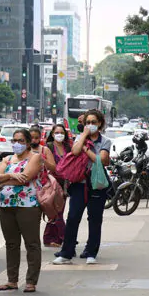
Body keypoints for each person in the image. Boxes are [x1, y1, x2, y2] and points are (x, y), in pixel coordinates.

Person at [53, 109, 111, 265]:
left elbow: (102, 160)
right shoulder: (80, 138)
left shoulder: (105, 141)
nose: (90, 125)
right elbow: (75, 151)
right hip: (79, 184)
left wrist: (87, 149)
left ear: (100, 124)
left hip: (97, 184)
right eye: (87, 122)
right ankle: (67, 252)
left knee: (95, 219)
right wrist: (84, 136)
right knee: (72, 217)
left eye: (93, 122)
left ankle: (91, 252)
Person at [0, 129, 42, 293]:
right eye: (14, 140)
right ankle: (12, 280)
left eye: (21, 141)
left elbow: (26, 177)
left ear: (28, 143)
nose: (17, 144)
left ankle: (31, 281)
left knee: (31, 243)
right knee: (11, 244)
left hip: (27, 205)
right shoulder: (7, 158)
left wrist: (4, 182)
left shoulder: (35, 157)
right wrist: (14, 176)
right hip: (6, 205)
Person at [29, 127, 62, 247]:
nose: (34, 140)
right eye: (31, 137)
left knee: (44, 213)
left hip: (43, 188)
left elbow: (54, 168)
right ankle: (32, 240)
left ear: (40, 138)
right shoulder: (24, 151)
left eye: (36, 137)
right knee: (30, 217)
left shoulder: (45, 150)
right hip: (27, 188)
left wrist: (43, 160)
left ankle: (44, 239)